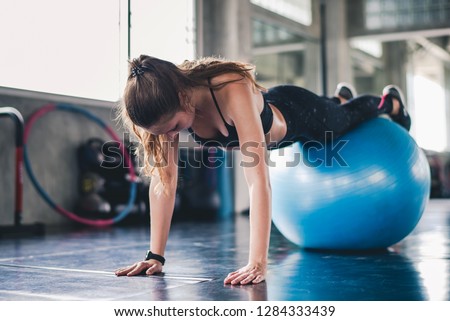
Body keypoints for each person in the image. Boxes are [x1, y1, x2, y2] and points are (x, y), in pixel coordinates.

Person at [114, 55, 411, 285]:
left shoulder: (230, 88)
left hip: (299, 115)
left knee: (344, 121)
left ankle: (389, 103)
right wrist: (156, 256)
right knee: (337, 112)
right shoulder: (165, 110)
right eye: (162, 133)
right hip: (277, 127)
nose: (169, 137)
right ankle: (338, 99)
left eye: (174, 128)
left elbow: (257, 181)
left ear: (183, 97)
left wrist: (257, 262)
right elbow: (164, 181)